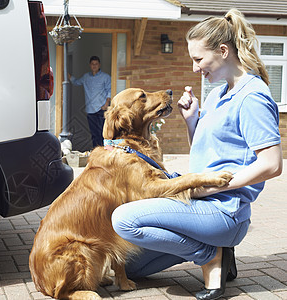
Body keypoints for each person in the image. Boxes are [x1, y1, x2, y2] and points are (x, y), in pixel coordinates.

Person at [111, 9, 282, 300]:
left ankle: (209, 253)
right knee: (132, 265)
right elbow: (209, 154)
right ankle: (211, 248)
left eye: (199, 59)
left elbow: (272, 164)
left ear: (224, 51)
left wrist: (212, 186)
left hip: (224, 210)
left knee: (124, 220)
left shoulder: (253, 96)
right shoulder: (217, 94)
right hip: (201, 199)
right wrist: (192, 121)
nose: (194, 68)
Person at [70, 55, 111, 148]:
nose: (94, 66)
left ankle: (103, 153)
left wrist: (106, 104)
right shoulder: (86, 77)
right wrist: (67, 75)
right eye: (92, 64)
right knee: (94, 133)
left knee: (103, 133)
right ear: (90, 65)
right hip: (90, 110)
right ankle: (95, 152)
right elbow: (76, 82)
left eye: (96, 64)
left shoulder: (105, 77)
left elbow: (110, 90)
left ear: (99, 65)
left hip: (101, 109)